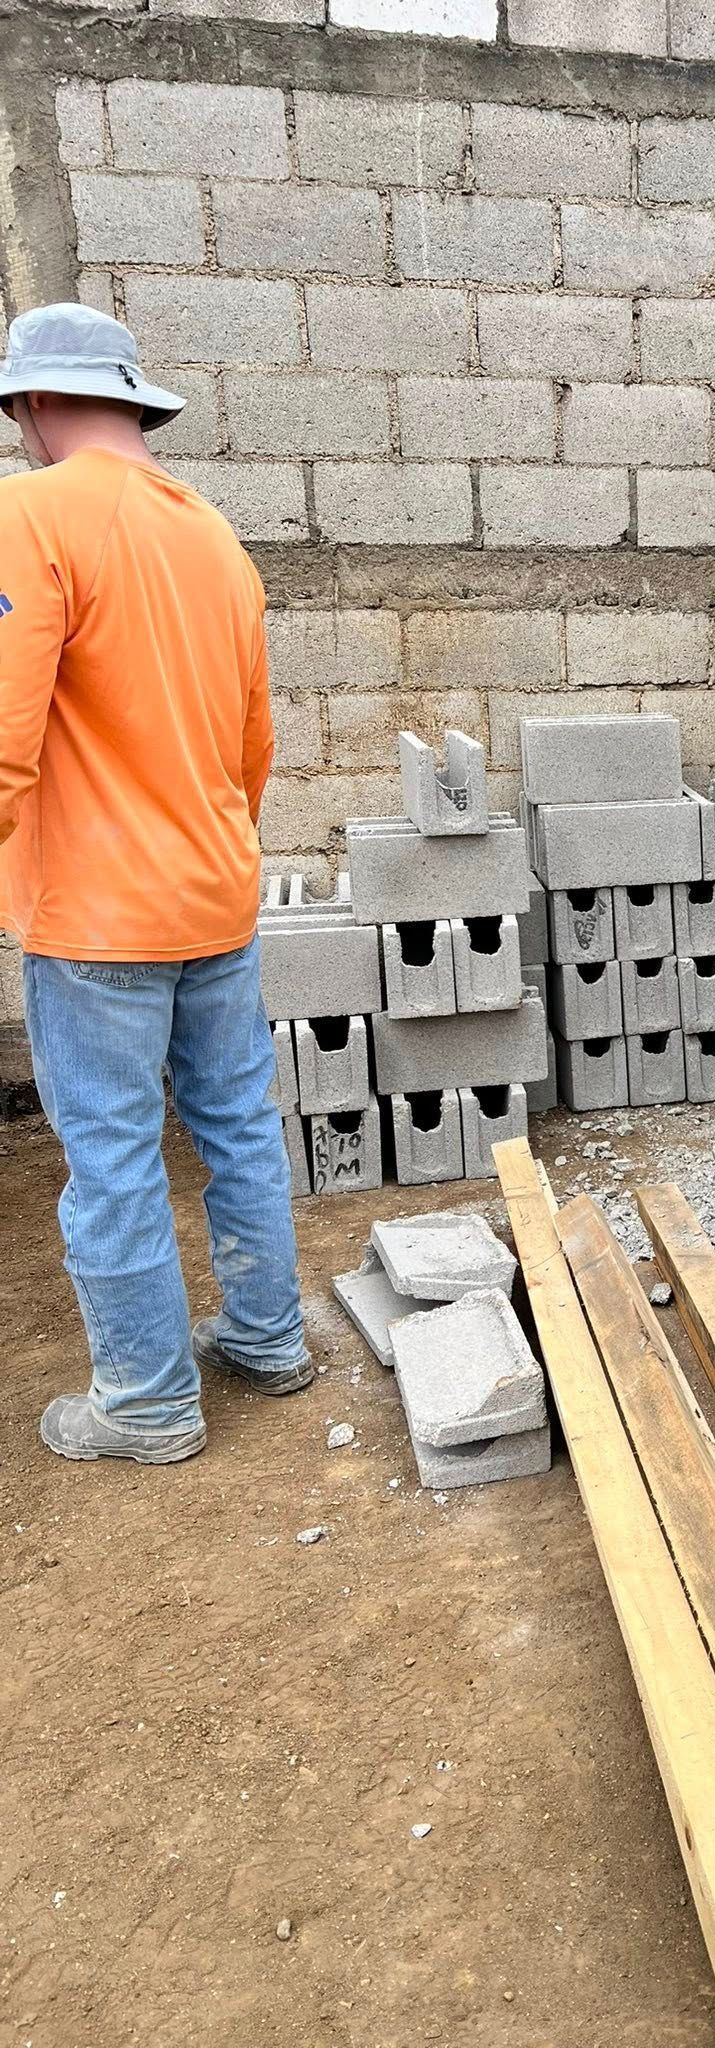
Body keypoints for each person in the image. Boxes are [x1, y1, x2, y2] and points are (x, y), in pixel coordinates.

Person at [0, 302, 310, 1466]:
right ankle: (269, 1338)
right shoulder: (215, 538)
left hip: (96, 915)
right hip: (214, 894)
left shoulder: (27, 516)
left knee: (116, 1156)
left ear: (31, 406)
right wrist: (206, 854)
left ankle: (144, 1397)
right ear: (136, 405)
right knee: (236, 1127)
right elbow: (253, 746)